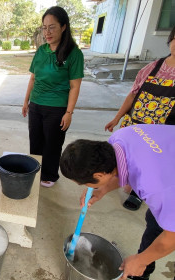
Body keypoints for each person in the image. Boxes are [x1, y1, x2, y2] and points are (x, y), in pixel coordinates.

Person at [60, 124, 175, 280]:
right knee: (154, 219)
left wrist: (141, 260)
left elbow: (172, 236)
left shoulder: (154, 186)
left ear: (99, 175)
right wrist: (102, 190)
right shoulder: (120, 138)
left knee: (163, 230)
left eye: (85, 184)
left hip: (167, 183)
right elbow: (120, 171)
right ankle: (143, 269)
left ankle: (142, 266)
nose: (86, 188)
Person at [105, 25, 175, 211]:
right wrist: (117, 118)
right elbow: (132, 95)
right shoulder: (153, 67)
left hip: (161, 132)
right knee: (124, 156)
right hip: (135, 125)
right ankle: (117, 180)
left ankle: (138, 194)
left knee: (150, 163)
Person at [22, 6, 84, 188]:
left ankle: (49, 175)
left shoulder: (74, 54)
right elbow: (33, 77)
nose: (47, 32)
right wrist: (26, 101)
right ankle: (35, 169)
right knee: (35, 141)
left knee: (52, 144)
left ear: (64, 27)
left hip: (57, 108)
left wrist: (69, 112)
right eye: (44, 27)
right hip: (36, 105)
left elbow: (75, 86)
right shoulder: (41, 51)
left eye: (52, 27)